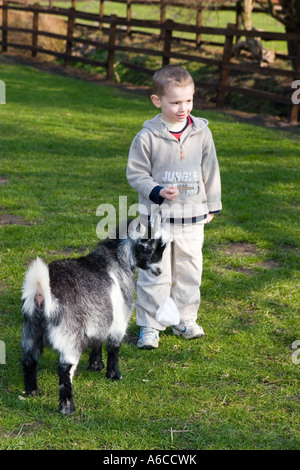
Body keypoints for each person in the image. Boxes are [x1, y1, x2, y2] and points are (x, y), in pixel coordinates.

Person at [126, 65, 222, 349]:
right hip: (157, 219)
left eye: (189, 101)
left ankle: (184, 320)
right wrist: (156, 190)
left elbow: (211, 169)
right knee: (155, 272)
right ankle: (150, 326)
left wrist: (212, 205)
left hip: (192, 218)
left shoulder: (202, 133)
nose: (184, 108)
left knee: (189, 270)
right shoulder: (147, 137)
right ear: (158, 101)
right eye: (176, 102)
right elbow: (136, 174)